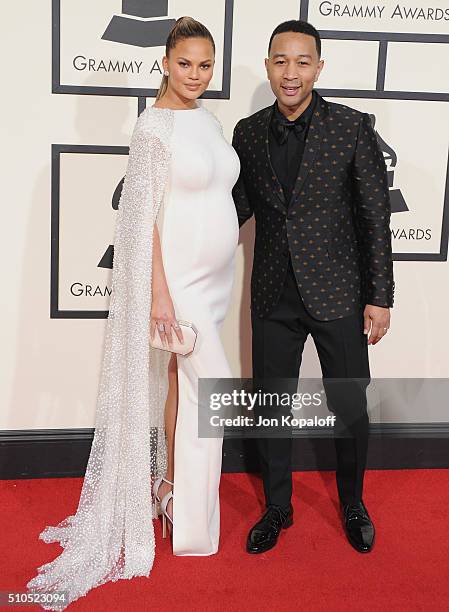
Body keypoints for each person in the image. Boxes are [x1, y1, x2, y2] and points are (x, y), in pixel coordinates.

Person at [27, 17, 240, 609]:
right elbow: (140, 218)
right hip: (179, 282)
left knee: (187, 387)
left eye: (205, 65)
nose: (195, 75)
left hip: (218, 280)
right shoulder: (152, 127)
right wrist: (160, 295)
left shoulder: (211, 121)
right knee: (212, 388)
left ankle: (171, 488)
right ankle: (193, 526)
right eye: (185, 64)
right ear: (165, 63)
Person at [232, 20, 394, 555]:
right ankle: (278, 506)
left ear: (318, 68)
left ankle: (353, 503)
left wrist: (380, 295)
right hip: (273, 293)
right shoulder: (248, 133)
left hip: (340, 293)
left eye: (303, 62)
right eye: (281, 61)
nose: (291, 73)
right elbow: (232, 210)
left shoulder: (350, 127)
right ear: (268, 65)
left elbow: (374, 217)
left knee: (349, 404)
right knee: (272, 404)